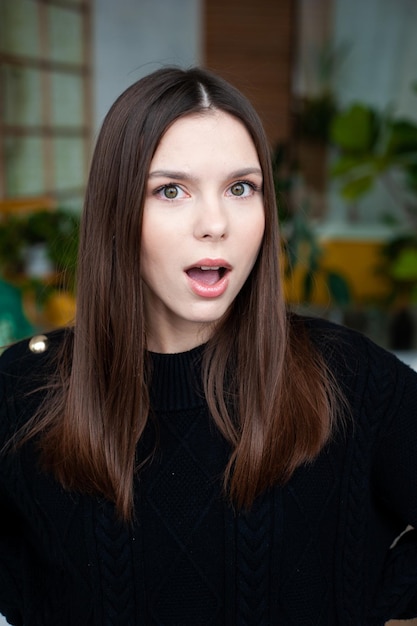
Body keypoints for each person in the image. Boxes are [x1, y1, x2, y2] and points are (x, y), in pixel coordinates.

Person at [0, 66, 416, 626]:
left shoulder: (347, 376)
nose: (215, 223)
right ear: (118, 212)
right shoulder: (23, 389)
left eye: (240, 188)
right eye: (171, 190)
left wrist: (374, 598)